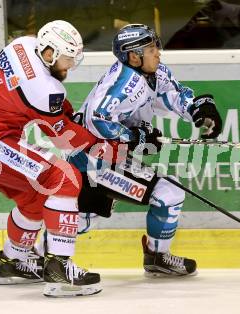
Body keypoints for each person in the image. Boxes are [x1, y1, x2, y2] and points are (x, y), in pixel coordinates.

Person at [0, 20, 105, 297]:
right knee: (63, 177)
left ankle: (14, 261)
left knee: (36, 194)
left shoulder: (19, 45)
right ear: (49, 54)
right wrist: (102, 145)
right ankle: (60, 268)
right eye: (68, 59)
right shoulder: (44, 89)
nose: (70, 66)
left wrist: (66, 115)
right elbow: (63, 138)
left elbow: (51, 110)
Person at [68, 24, 222, 277]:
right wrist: (133, 136)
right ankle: (157, 256)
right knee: (168, 193)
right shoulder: (124, 84)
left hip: (103, 157)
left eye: (156, 46)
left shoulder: (155, 72)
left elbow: (172, 95)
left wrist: (197, 108)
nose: (158, 53)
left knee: (84, 219)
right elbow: (98, 119)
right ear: (134, 56)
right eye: (151, 48)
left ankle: (32, 253)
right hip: (94, 160)